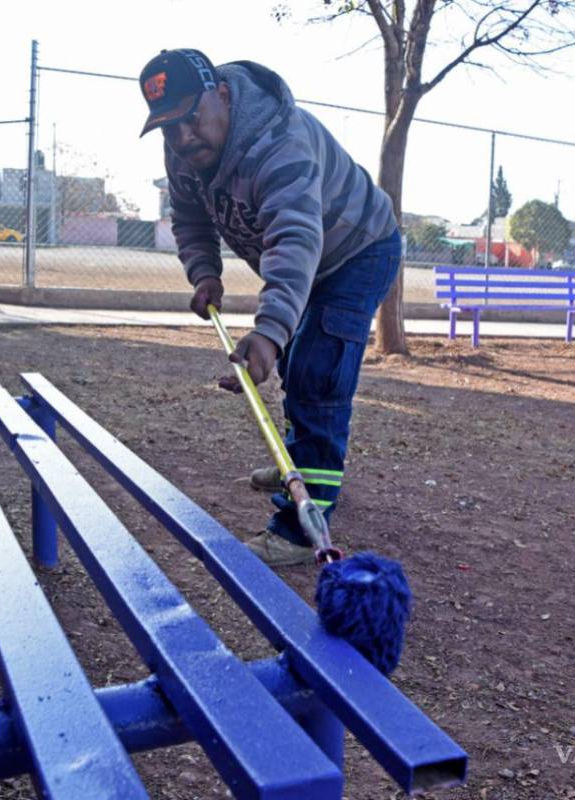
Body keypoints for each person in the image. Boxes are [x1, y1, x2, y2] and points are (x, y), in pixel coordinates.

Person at [138, 48, 401, 567]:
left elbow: (297, 238)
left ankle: (303, 529)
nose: (184, 137)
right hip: (309, 261)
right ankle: (298, 464)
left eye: (192, 117)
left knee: (317, 372)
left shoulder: (279, 143)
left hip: (359, 250)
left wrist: (269, 331)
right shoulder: (184, 155)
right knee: (302, 361)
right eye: (170, 128)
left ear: (223, 95)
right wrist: (205, 273)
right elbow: (188, 218)